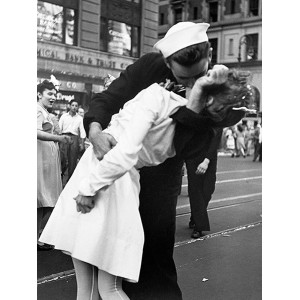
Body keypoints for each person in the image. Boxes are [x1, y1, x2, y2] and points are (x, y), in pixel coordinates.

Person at [40, 67, 253, 299]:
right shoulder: (190, 127)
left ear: (208, 96)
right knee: (104, 287)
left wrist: (89, 187)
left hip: (103, 176)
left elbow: (125, 152)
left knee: (97, 289)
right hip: (121, 185)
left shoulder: (160, 98)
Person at [80, 21, 246, 299]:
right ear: (168, 63)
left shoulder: (216, 83)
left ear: (209, 54)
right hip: (122, 173)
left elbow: (203, 136)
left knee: (155, 256)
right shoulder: (149, 68)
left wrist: (207, 95)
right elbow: (110, 97)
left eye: (198, 75)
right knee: (109, 256)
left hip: (163, 175)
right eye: (184, 79)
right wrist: (95, 127)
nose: (192, 83)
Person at [37, 80, 72, 251]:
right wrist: (59, 138)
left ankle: (39, 234)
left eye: (54, 94)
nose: (53, 97)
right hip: (40, 157)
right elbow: (35, 131)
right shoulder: (36, 110)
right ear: (39, 94)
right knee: (41, 197)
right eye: (49, 94)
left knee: (45, 198)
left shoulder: (44, 112)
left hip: (47, 157)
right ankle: (37, 236)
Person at [185, 128, 222, 238]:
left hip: (209, 157)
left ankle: (195, 216)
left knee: (208, 189)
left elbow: (216, 139)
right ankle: (199, 226)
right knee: (195, 189)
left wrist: (206, 161)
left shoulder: (216, 115)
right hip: (192, 156)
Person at [59, 99, 86, 181]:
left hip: (74, 138)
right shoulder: (64, 116)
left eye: (76, 106)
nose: (74, 107)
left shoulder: (80, 118)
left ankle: (69, 182)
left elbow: (82, 131)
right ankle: (60, 179)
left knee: (73, 161)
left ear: (78, 107)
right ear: (69, 106)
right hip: (64, 137)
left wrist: (82, 143)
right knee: (62, 159)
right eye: (73, 105)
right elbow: (59, 129)